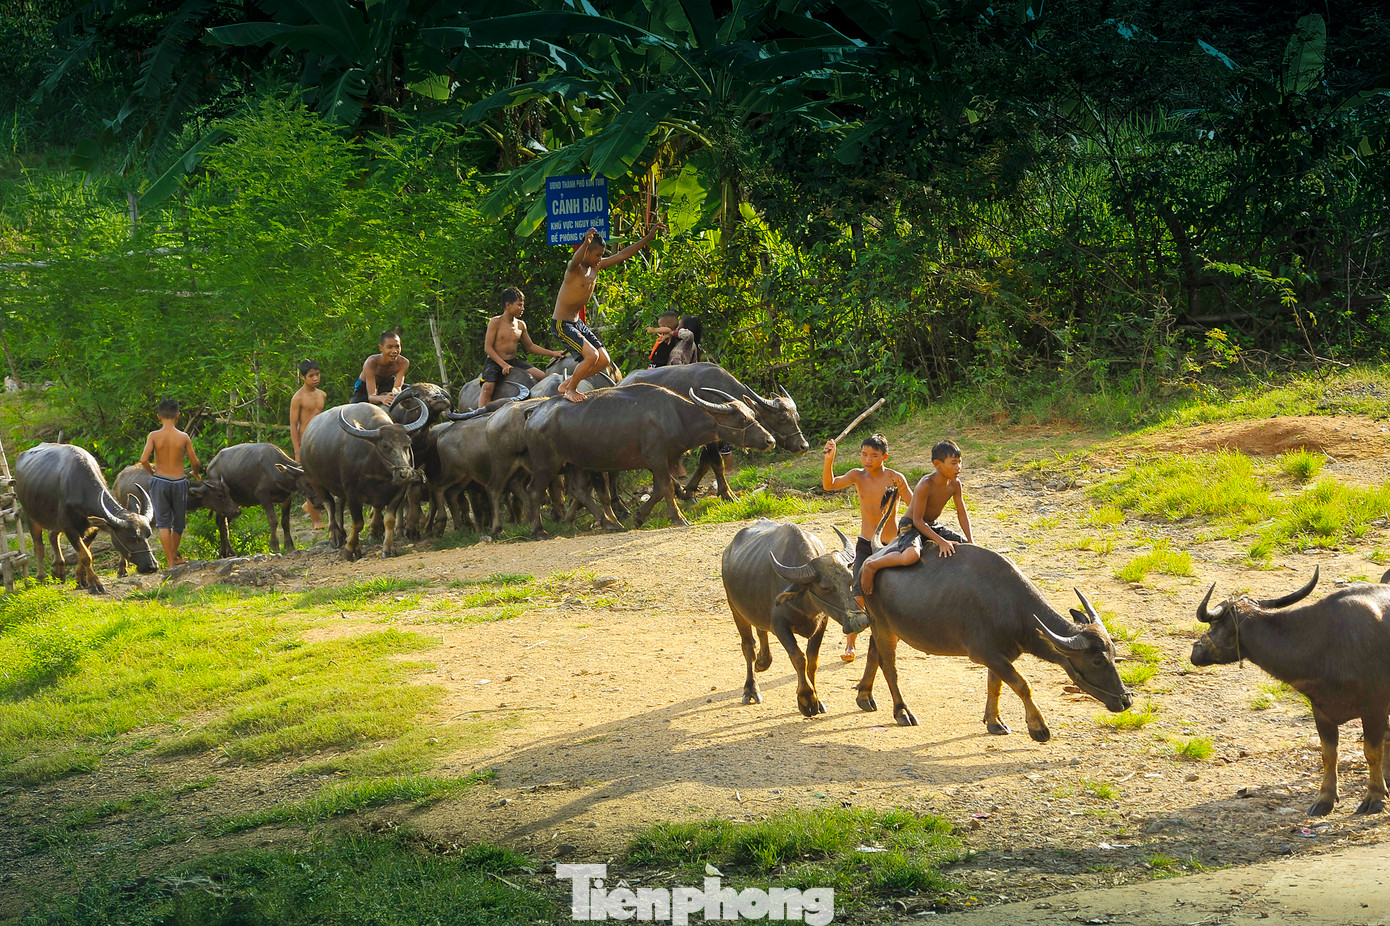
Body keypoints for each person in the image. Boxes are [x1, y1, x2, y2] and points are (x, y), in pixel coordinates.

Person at [822, 433, 913, 661]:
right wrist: (829, 459)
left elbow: (914, 504)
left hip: (891, 544)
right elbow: (829, 485)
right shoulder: (857, 475)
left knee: (895, 591)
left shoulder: (895, 478)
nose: (868, 460)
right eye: (864, 454)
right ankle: (850, 645)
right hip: (865, 542)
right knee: (858, 591)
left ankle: (895, 634)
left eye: (874, 455)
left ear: (885, 456)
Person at [553, 223, 662, 402]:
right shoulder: (574, 269)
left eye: (601, 256)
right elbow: (575, 260)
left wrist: (649, 237)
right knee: (592, 356)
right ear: (587, 251)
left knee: (604, 360)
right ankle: (570, 389)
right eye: (597, 255)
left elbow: (623, 254)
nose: (599, 259)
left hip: (577, 323)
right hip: (562, 324)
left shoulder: (595, 267)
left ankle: (568, 383)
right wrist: (585, 243)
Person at [858, 438, 973, 596]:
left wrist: (970, 540)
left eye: (960, 462)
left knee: (968, 547)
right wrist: (941, 542)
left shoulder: (955, 484)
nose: (958, 467)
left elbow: (962, 513)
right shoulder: (926, 484)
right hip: (911, 525)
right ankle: (873, 564)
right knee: (912, 555)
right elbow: (918, 521)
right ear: (938, 464)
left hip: (931, 524)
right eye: (953, 463)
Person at [138, 398, 202, 568]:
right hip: (179, 482)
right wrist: (195, 473)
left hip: (160, 481)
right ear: (178, 416)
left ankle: (170, 562)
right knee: (178, 522)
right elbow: (195, 462)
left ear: (159, 417)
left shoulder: (153, 436)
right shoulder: (184, 437)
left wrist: (153, 473)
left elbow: (144, 459)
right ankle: (174, 557)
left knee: (163, 523)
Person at [480, 287, 565, 408]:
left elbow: (530, 346)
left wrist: (553, 353)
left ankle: (546, 407)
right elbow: (488, 348)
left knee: (542, 377)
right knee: (488, 386)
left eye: (523, 305)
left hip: (513, 361)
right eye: (519, 305)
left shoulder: (521, 325)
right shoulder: (496, 322)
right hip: (495, 361)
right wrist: (503, 364)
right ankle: (479, 413)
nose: (522, 309)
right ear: (508, 305)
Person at [289, 359, 325, 529]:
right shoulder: (298, 398)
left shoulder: (322, 394)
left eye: (317, 374)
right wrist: (297, 450)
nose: (315, 378)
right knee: (309, 481)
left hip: (319, 440)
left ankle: (308, 505)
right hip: (305, 442)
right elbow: (293, 425)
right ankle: (316, 520)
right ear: (303, 377)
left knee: (322, 478)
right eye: (311, 376)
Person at [351, 330, 409, 405]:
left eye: (397, 347)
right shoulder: (371, 363)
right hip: (365, 387)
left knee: (411, 391)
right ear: (381, 348)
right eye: (389, 347)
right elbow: (371, 396)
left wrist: (393, 394)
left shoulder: (403, 363)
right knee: (353, 409)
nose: (394, 351)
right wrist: (382, 398)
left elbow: (397, 387)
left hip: (387, 383)